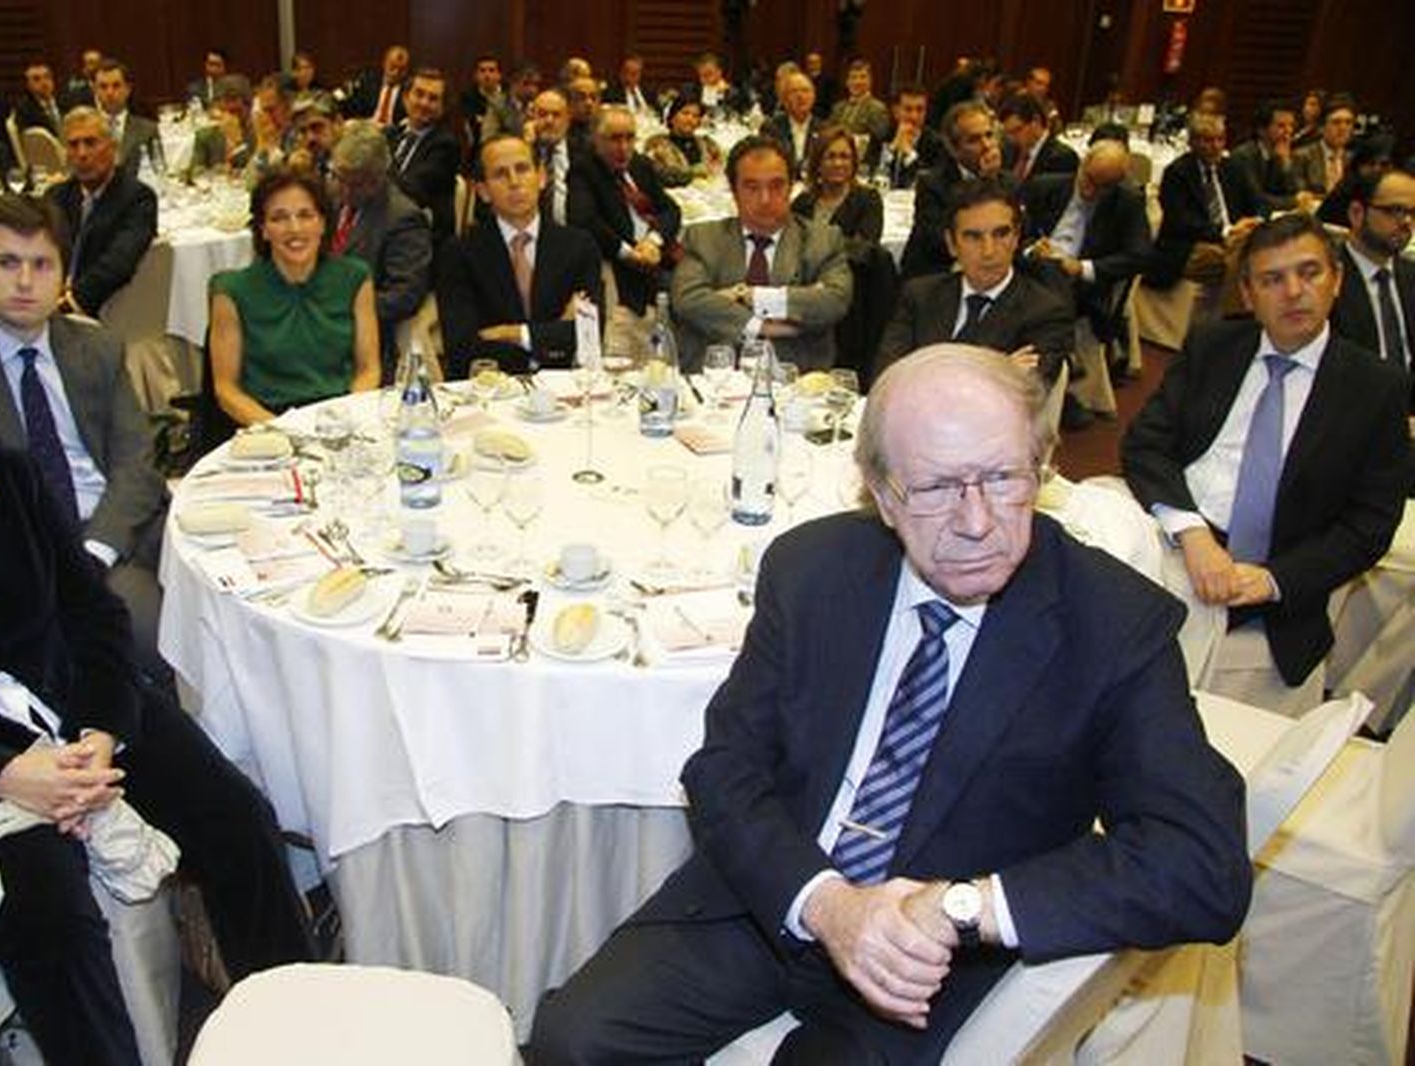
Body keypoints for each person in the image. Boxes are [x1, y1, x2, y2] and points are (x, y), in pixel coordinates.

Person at [529, 343, 1251, 1063]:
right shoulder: (812, 569)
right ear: (880, 493)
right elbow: (724, 766)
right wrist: (825, 902)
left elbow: (1202, 865)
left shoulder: (1113, 622)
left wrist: (961, 906)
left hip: (937, 958)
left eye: (1003, 478)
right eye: (935, 488)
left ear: (1041, 468)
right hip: (778, 892)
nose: (976, 521)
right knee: (573, 1042)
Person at [0, 294, 316, 1066]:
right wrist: (12, 774)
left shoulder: (4, 477)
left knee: (235, 816)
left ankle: (297, 1029)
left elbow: (94, 615)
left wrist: (102, 730)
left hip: (80, 715)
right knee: (48, 918)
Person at [1122, 213, 1411, 715]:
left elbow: (1369, 525)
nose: (1294, 291)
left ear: (1337, 280)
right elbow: (1145, 444)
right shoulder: (1214, 346)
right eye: (1272, 279)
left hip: (1272, 576)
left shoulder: (1374, 387)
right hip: (1176, 538)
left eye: (1309, 272)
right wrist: (1192, 534)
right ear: (1249, 294)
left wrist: (1273, 579)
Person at [0, 193, 168, 675]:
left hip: (113, 528)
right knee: (138, 635)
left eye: (42, 265)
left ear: (64, 277)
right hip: (26, 551)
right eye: (7, 263)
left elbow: (136, 462)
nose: (25, 281)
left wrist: (97, 549)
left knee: (226, 586)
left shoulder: (96, 346)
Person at [209, 171, 379, 428]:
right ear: (263, 230)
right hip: (268, 423)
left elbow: (369, 369)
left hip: (341, 415)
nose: (295, 229)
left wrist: (345, 420)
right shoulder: (231, 291)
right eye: (279, 218)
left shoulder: (355, 278)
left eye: (305, 215)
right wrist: (283, 431)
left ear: (323, 223)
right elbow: (227, 390)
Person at [671, 135, 851, 371]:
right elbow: (687, 299)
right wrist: (758, 326)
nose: (765, 199)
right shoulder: (703, 238)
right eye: (752, 187)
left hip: (796, 376)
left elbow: (833, 302)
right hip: (716, 376)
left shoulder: (823, 241)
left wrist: (751, 296)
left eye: (776, 186)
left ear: (791, 187)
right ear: (734, 191)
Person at [436, 133, 603, 378]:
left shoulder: (579, 246)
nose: (514, 182)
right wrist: (553, 335)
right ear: (483, 191)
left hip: (563, 387)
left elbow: (589, 337)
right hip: (490, 389)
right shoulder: (459, 253)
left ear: (542, 177)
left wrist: (515, 334)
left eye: (522, 169)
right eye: (500, 174)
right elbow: (462, 348)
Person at [877, 179, 1069, 384]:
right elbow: (887, 377)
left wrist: (925, 373)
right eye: (973, 237)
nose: (989, 251)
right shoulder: (919, 295)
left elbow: (1025, 393)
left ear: (1016, 238)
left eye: (1001, 234)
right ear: (951, 244)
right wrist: (995, 371)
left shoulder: (1045, 312)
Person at [1021, 139, 1152, 393]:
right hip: (1033, 267)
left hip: (1082, 286)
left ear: (1118, 183)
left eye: (1103, 187)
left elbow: (1140, 255)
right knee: (1049, 270)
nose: (1090, 192)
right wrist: (1033, 248)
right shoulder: (1045, 186)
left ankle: (1053, 368)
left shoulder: (1127, 202)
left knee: (1054, 274)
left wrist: (1082, 268)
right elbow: (1017, 232)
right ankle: (1064, 352)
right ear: (1082, 165)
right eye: (1088, 180)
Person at [328, 120, 433, 380]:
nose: (344, 190)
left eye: (355, 184)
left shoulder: (403, 218)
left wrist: (341, 307)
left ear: (378, 178)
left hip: (362, 334)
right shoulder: (332, 196)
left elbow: (404, 295)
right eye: (339, 178)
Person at [791, 126, 890, 377]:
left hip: (853, 297)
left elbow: (864, 250)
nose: (838, 163)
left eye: (844, 157)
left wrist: (814, 247)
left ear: (854, 162)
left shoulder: (867, 199)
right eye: (831, 156)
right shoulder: (803, 202)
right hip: (807, 294)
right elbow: (789, 245)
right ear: (817, 163)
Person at [567, 105, 681, 316]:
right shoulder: (583, 170)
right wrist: (628, 253)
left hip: (656, 251)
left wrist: (653, 241)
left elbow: (671, 209)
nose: (624, 147)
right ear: (596, 140)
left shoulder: (640, 164)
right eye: (615, 139)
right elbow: (584, 220)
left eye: (630, 138)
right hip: (621, 265)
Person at [43, 107, 156, 317]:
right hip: (47, 302)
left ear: (113, 148)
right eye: (73, 145)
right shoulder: (56, 196)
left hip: (100, 311)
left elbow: (118, 263)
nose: (82, 154)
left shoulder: (137, 198)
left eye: (90, 143)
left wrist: (69, 305)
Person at [1145, 110, 1264, 291]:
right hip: (1191, 243)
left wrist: (1254, 222)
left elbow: (1257, 202)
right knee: (1229, 259)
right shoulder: (1177, 173)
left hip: (1236, 238)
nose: (1216, 146)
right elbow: (1181, 221)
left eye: (1220, 140)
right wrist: (1225, 232)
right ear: (1192, 142)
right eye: (1208, 141)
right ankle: (1234, 307)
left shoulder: (1234, 168)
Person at [1329, 168, 1413, 397]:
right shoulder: (1326, 280)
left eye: (1412, 213)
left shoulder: (1410, 275)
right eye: (1394, 211)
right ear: (1357, 214)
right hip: (1355, 403)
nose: (1407, 222)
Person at [899, 100, 1003, 280]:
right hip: (939, 273)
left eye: (989, 135)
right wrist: (983, 184)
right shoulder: (932, 185)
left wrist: (991, 183)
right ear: (954, 149)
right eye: (974, 140)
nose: (987, 145)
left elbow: (1019, 230)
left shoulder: (1006, 182)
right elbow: (941, 241)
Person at [387, 67, 461, 242]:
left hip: (423, 236)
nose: (424, 103)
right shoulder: (391, 135)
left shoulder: (445, 145)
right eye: (419, 94)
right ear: (405, 98)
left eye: (433, 99)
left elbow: (413, 190)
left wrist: (375, 171)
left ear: (442, 108)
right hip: (386, 224)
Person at [1228, 99, 1303, 214]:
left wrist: (1286, 164)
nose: (1288, 131)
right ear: (1261, 130)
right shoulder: (1243, 156)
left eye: (1291, 125)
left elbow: (1295, 191)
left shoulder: (1283, 153)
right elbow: (1257, 201)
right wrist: (1295, 201)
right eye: (1281, 126)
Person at [92, 58, 160, 177]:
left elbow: (158, 171)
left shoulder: (148, 129)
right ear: (95, 91)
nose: (109, 92)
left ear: (128, 89)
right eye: (103, 87)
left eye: (116, 86)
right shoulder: (84, 130)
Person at [643, 98, 723, 187]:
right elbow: (658, 175)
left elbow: (719, 171)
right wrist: (692, 173)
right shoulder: (656, 144)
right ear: (672, 117)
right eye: (685, 113)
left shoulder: (708, 145)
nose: (690, 119)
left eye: (695, 116)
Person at [998, 93, 1077, 185]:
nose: (1011, 139)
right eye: (1008, 133)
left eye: (1017, 130)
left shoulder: (1062, 157)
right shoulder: (1010, 152)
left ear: (1036, 121)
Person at [875, 83, 938, 190]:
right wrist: (893, 147)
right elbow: (870, 171)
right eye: (908, 109)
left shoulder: (935, 142)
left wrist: (909, 153)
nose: (914, 116)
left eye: (920, 110)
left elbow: (931, 180)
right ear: (896, 111)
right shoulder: (881, 135)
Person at [189, 74, 255, 176]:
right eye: (224, 111)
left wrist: (238, 143)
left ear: (249, 107)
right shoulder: (205, 136)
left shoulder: (261, 134)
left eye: (235, 112)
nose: (229, 118)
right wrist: (215, 172)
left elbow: (257, 171)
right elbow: (194, 172)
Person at [526, 88, 574, 225]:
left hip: (575, 229)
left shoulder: (583, 152)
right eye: (542, 114)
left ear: (568, 119)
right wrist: (526, 146)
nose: (549, 121)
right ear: (532, 118)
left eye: (556, 115)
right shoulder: (523, 150)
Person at [1291, 94, 1355, 196]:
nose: (1343, 128)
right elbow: (1300, 194)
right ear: (1322, 127)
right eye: (1336, 122)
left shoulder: (1353, 159)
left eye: (1348, 122)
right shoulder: (1301, 156)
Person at [760, 71, 818, 175]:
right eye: (794, 91)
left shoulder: (825, 129)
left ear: (813, 97)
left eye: (805, 91)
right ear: (784, 99)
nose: (800, 96)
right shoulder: (771, 128)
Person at [828, 60, 890, 156]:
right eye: (853, 77)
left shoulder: (877, 108)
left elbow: (879, 140)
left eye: (863, 77)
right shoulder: (838, 107)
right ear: (847, 82)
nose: (858, 82)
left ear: (870, 81)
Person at [344, 45, 409, 128]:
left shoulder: (408, 90)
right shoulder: (368, 82)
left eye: (401, 70)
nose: (395, 73)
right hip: (367, 126)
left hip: (392, 131)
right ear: (384, 64)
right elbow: (354, 106)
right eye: (392, 67)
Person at [12, 61, 65, 138]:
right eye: (37, 79)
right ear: (28, 85)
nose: (44, 83)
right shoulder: (25, 110)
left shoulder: (65, 101)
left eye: (47, 77)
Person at [602, 54, 656, 119]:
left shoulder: (649, 92)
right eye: (625, 73)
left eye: (633, 74)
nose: (628, 78)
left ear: (640, 75)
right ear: (620, 73)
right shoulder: (611, 94)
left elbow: (657, 113)